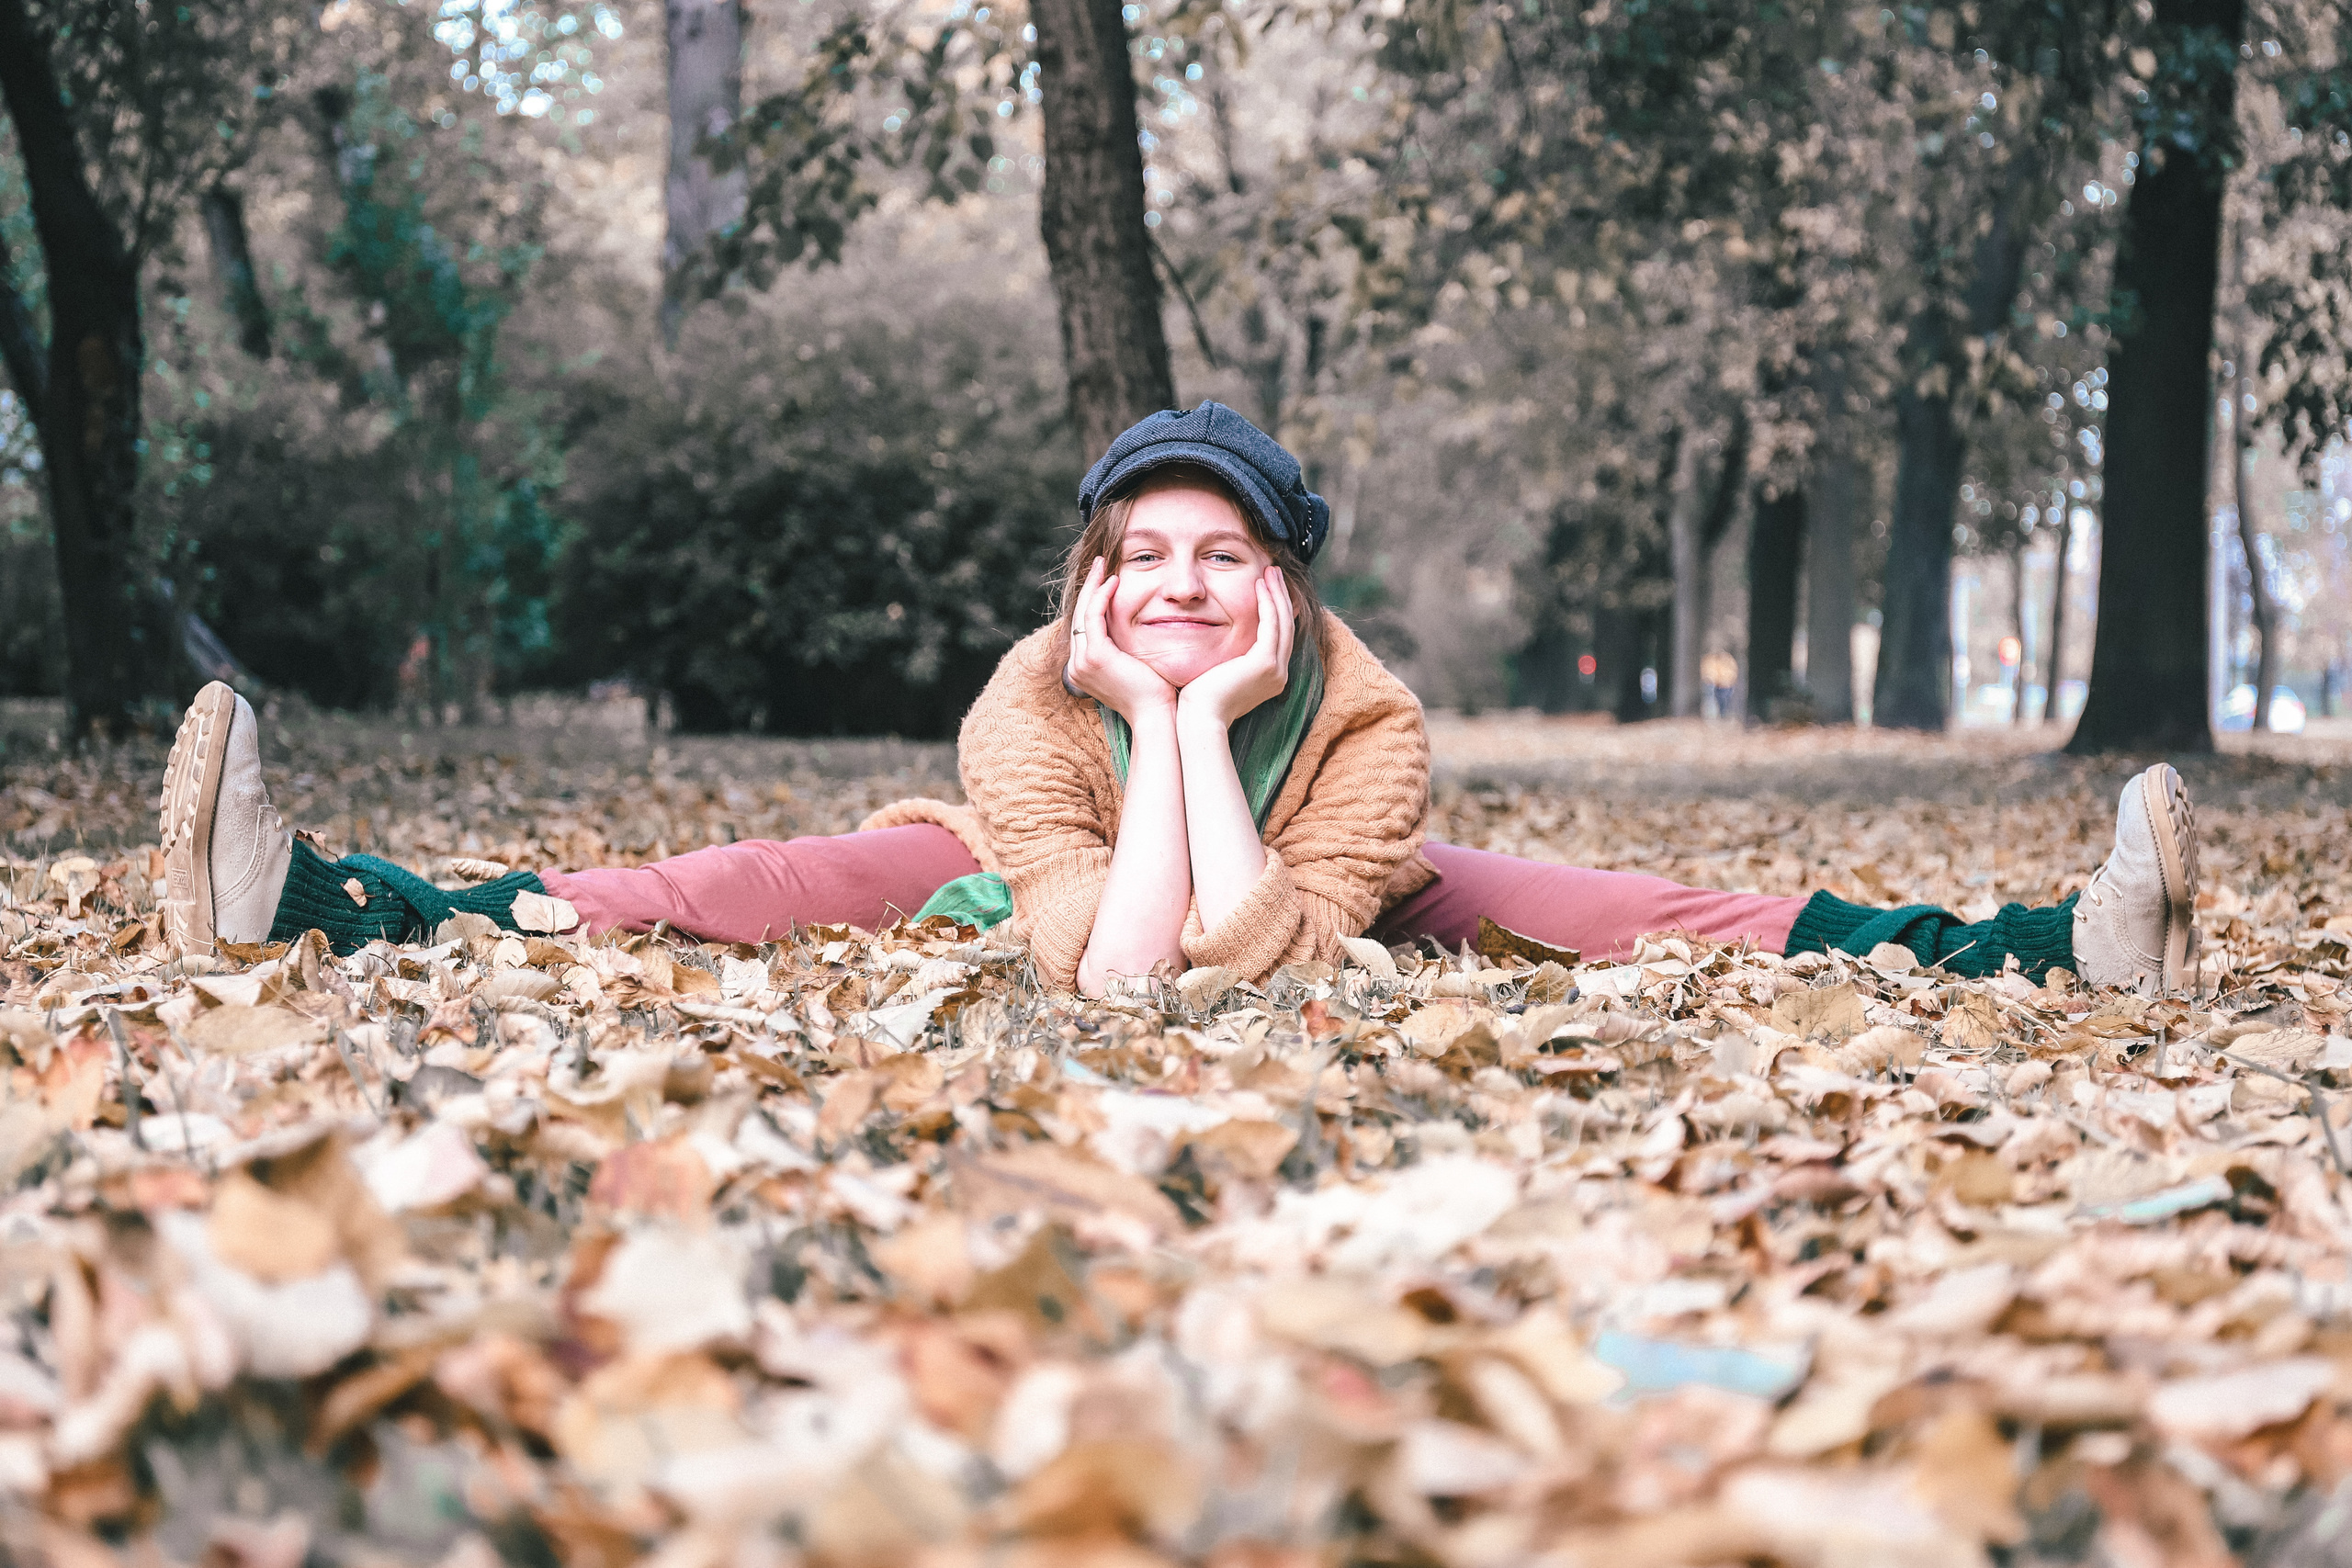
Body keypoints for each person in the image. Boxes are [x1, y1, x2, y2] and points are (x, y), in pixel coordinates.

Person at [156, 402, 2202, 998]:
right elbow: (1110, 972)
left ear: (1282, 582)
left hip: (1319, 871)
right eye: (1140, 555)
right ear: (1091, 576)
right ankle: (318, 897)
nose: (1175, 583)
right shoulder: (1025, 701)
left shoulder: (1367, 720)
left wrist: (1212, 730)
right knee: (718, 879)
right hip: (1030, 866)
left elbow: (1236, 957)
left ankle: (2050, 942)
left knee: (1637, 908)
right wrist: (1141, 723)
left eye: (1220, 557)